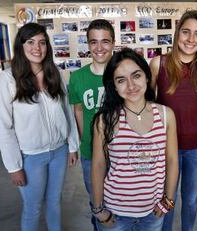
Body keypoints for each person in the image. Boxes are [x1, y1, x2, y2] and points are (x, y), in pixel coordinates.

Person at [0, 23, 79, 231]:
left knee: (54, 202)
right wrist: (14, 166)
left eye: (42, 42)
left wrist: (72, 145)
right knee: (32, 208)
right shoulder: (7, 80)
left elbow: (67, 111)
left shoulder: (54, 74)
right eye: (30, 42)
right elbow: (5, 128)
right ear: (21, 46)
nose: (37, 48)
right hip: (30, 157)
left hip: (58, 152)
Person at [90, 48, 179, 231]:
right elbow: (98, 165)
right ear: (114, 86)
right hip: (114, 212)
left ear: (147, 76)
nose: (131, 86)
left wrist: (168, 200)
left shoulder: (165, 115)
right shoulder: (105, 120)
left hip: (152, 213)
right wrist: (98, 209)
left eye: (136, 76)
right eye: (121, 80)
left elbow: (172, 160)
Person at [149, 10, 197, 231]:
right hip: (165, 146)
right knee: (167, 199)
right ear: (177, 34)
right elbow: (149, 104)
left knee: (190, 199)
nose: (190, 39)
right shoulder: (158, 63)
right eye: (186, 32)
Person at [68, 19, 115, 230]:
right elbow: (78, 111)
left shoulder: (121, 75)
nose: (99, 47)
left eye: (105, 41)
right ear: (87, 44)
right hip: (90, 151)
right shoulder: (77, 78)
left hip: (120, 152)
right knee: (96, 202)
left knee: (121, 202)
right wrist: (83, 139)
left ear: (113, 43)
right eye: (93, 42)